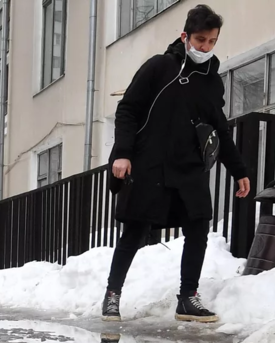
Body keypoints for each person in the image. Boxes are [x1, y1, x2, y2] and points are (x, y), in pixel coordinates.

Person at [103, 4, 250, 323]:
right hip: (150, 164)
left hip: (189, 167)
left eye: (212, 41)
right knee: (136, 229)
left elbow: (220, 128)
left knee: (198, 225)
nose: (205, 47)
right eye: (200, 40)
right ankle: (113, 296)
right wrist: (124, 153)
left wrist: (239, 170)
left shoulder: (212, 81)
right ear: (185, 36)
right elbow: (127, 110)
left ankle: (188, 298)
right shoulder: (159, 68)